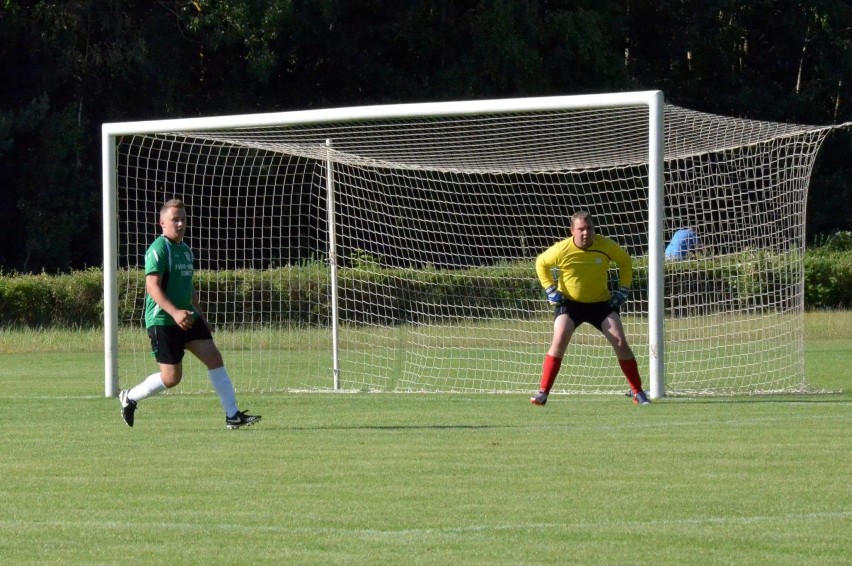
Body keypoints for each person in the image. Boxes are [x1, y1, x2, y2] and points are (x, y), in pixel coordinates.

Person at [119, 199, 261, 429]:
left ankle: (233, 415)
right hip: (163, 320)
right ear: (162, 223)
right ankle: (130, 397)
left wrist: (201, 315)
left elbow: (188, 287)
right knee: (171, 379)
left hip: (188, 318)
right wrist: (174, 312)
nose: (180, 223)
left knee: (214, 358)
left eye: (183, 219)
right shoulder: (158, 249)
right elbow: (152, 287)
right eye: (175, 219)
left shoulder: (185, 250)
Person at [530, 210, 650, 406]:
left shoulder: (605, 245)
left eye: (589, 228)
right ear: (572, 231)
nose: (586, 233)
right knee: (560, 337)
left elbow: (625, 262)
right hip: (569, 305)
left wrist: (624, 290)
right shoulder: (562, 249)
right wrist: (550, 289)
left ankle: (638, 392)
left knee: (620, 341)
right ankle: (543, 392)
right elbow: (540, 263)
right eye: (581, 229)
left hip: (601, 304)